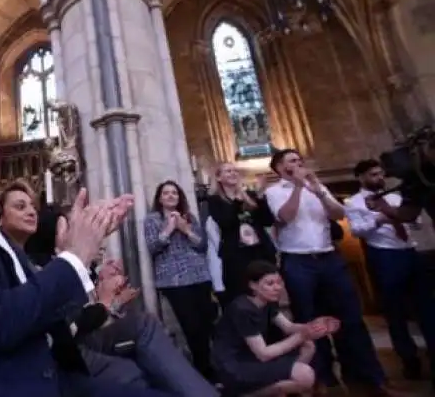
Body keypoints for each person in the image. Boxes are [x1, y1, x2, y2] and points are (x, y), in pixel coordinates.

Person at [0, 115, 173, 397]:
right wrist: (74, 256)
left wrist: (81, 245)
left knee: (141, 376)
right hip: (0, 384)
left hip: (43, 369)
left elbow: (40, 309)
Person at [0, 180, 218, 396]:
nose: (30, 212)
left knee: (150, 324)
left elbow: (201, 245)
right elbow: (65, 321)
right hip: (58, 352)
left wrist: (107, 296)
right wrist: (105, 302)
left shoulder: (34, 261)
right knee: (130, 371)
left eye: (32, 207)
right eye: (19, 206)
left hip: (73, 337)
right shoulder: (22, 263)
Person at [265, 149, 391, 395]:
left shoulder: (317, 186)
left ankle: (367, 376)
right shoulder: (273, 191)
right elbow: (285, 217)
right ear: (280, 168)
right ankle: (322, 379)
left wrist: (318, 190)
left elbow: (338, 214)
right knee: (310, 321)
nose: (299, 164)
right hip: (298, 261)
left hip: (329, 257)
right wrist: (299, 188)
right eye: (292, 161)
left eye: (300, 161)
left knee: (350, 317)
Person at [345, 159, 435, 388]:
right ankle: (409, 359)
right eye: (373, 175)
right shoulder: (354, 202)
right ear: (361, 177)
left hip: (411, 250)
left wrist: (410, 220)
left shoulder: (397, 195)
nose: (379, 178)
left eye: (381, 173)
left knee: (426, 308)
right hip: (385, 255)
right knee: (395, 311)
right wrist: (379, 218)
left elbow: (413, 216)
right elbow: (356, 230)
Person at [212, 260, 336, 396]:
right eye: (270, 284)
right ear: (252, 285)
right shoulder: (242, 309)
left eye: (279, 282)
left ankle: (282, 389)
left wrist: (315, 326)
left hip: (252, 357)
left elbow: (288, 327)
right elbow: (264, 354)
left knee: (308, 345)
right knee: (305, 375)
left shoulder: (266, 301)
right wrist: (302, 335)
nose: (277, 288)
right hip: (235, 365)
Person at [144, 180, 217, 381]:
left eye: (174, 193)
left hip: (199, 276)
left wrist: (185, 229)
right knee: (191, 326)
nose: (170, 196)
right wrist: (169, 228)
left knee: (206, 323)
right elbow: (153, 247)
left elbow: (202, 245)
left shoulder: (190, 217)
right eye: (166, 193)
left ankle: (210, 365)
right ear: (159, 198)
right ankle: (202, 369)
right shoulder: (152, 219)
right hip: (174, 280)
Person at [205, 163, 276, 307]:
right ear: (219, 177)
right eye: (228, 171)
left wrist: (261, 197)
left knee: (268, 296)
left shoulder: (250, 195)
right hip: (236, 257)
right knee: (243, 298)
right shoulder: (215, 200)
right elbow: (226, 222)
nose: (233, 173)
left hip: (260, 252)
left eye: (235, 171)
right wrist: (237, 201)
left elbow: (268, 221)